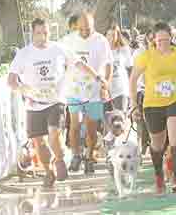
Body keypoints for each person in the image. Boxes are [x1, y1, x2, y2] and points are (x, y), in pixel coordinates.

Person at [8, 18, 94, 186]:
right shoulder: (24, 54)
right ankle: (48, 171)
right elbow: (11, 80)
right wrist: (22, 88)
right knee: (38, 142)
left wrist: (97, 77)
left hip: (56, 101)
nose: (42, 37)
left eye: (45, 33)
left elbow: (79, 63)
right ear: (32, 34)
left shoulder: (59, 49)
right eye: (38, 33)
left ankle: (60, 159)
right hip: (34, 104)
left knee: (53, 132)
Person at [129, 22, 176, 194]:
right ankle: (159, 174)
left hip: (174, 100)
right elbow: (133, 79)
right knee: (157, 144)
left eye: (165, 40)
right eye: (159, 41)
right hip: (152, 104)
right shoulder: (146, 56)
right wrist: (134, 105)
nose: (162, 44)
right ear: (153, 40)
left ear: (171, 38)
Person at [61, 12, 113, 175]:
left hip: (94, 92)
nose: (84, 32)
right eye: (81, 29)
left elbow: (109, 64)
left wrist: (106, 84)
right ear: (76, 26)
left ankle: (90, 156)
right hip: (74, 90)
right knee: (75, 125)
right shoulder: (68, 40)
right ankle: (76, 155)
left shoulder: (101, 41)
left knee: (91, 128)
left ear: (93, 26)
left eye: (88, 29)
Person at [106, 25, 132, 112]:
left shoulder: (124, 49)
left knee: (120, 115)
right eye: (109, 35)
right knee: (107, 118)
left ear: (118, 36)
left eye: (113, 35)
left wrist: (132, 90)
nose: (111, 38)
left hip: (121, 89)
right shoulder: (102, 51)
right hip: (106, 91)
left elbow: (130, 70)